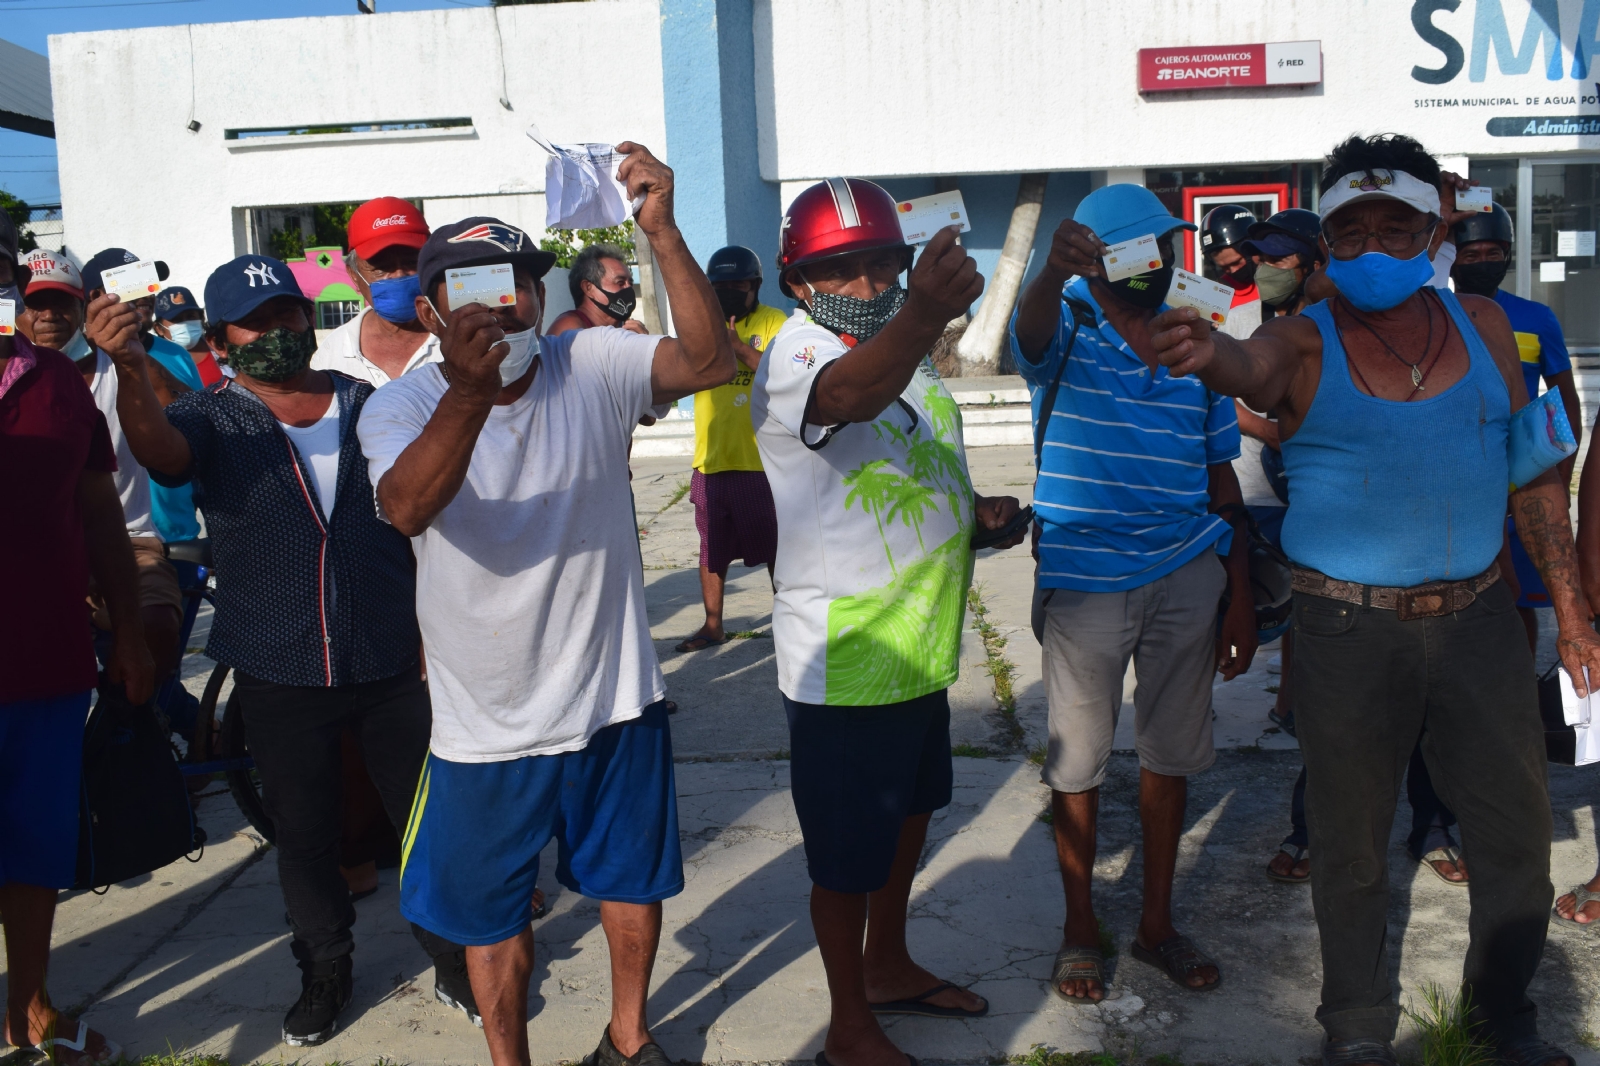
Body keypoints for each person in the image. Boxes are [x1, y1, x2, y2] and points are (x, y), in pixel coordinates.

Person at [1150, 132, 1594, 1066]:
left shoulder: (1483, 328)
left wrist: (1574, 610)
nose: (1377, 247)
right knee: (1351, 851)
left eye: (1400, 226)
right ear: (1328, 239)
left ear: (1436, 226)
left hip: (1478, 622)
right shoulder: (1301, 339)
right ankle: (1355, 1031)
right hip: (1345, 628)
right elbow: (1248, 367)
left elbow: (1537, 477)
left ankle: (1502, 1021)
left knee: (1515, 845)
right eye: (1353, 230)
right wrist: (1209, 354)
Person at [356, 143, 733, 1066]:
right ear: (434, 309)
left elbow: (712, 359)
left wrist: (662, 231)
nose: (500, 303)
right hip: (485, 724)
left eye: (516, 281)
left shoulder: (591, 363)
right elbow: (405, 506)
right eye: (472, 285)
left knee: (630, 883)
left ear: (538, 292)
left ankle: (629, 1039)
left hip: (614, 700)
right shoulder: (399, 408)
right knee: (491, 919)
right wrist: (470, 397)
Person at [87, 253, 473, 1047]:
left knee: (425, 823)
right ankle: (325, 968)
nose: (275, 334)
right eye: (253, 325)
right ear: (222, 341)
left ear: (308, 318)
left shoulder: (372, 404)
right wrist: (129, 366)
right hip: (279, 665)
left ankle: (455, 960)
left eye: (287, 316)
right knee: (306, 836)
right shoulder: (213, 416)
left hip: (391, 657)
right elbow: (160, 450)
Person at [749, 176, 1024, 1066]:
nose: (868, 285)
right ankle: (847, 1025)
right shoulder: (798, 352)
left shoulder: (912, 363)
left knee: (909, 817)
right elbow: (845, 402)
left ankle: (889, 963)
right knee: (845, 855)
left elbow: (906, 460)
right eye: (843, 269)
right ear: (798, 281)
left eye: (882, 265)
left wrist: (972, 512)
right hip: (848, 659)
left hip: (919, 650)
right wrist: (919, 317)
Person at [1011, 183, 1255, 1006]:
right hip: (1085, 578)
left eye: (1166, 245)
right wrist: (1049, 270)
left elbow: (1221, 468)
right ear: (1103, 257)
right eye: (1140, 249)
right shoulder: (1069, 316)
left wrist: (1242, 596)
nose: (1159, 262)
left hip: (1188, 565)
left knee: (1171, 756)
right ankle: (1081, 926)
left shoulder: (1196, 321)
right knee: (1077, 762)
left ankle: (1156, 924)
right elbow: (1029, 333)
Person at [1, 210, 152, 1066]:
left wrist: (129, 633)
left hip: (47, 664)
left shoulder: (55, 384)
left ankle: (32, 1009)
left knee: (34, 848)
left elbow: (100, 515)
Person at [17, 249, 184, 690]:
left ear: (83, 308)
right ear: (15, 305)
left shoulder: (125, 364)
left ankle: (137, 727)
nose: (49, 315)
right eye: (35, 304)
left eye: (63, 302)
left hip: (129, 541)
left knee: (157, 625)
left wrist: (132, 357)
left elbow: (192, 422)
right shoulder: (11, 378)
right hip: (36, 549)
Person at [1235, 208, 1327, 886]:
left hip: (1309, 508)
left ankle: (1293, 707)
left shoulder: (1330, 334)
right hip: (1241, 501)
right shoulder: (1241, 320)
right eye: (1257, 257)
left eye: (1279, 258)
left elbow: (1305, 432)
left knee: (1310, 631)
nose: (1264, 268)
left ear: (1312, 262)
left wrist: (1246, 419)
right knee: (1247, 613)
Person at [1450, 203, 1584, 652]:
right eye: (1471, 254)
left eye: (1493, 252)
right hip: (1458, 475)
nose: (1483, 262)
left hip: (1518, 480)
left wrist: (1559, 481)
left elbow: (1565, 399)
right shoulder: (1436, 314)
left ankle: (1520, 691)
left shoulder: (1536, 318)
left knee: (1517, 600)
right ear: (1451, 257)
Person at [674, 245, 786, 652]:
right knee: (712, 548)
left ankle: (789, 622)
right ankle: (713, 625)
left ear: (755, 285)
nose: (730, 292)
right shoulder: (701, 323)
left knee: (778, 546)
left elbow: (781, 374)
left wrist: (737, 346)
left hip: (762, 461)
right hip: (711, 459)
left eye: (739, 285)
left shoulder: (776, 322)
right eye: (721, 286)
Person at [82, 249, 205, 547]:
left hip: (180, 530)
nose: (147, 296)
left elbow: (200, 427)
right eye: (132, 287)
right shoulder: (78, 366)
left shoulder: (175, 353)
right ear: (97, 296)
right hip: (114, 535)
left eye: (149, 285)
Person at [312, 197, 441, 387]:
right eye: (381, 268)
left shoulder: (467, 337)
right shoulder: (333, 354)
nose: (399, 275)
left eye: (412, 262)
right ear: (354, 275)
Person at [546, 242, 649, 335]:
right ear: (588, 288)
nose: (628, 288)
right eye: (620, 282)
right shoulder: (570, 329)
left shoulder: (623, 329)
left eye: (630, 283)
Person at [1200, 203, 1262, 339]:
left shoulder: (1278, 281)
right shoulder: (1212, 297)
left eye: (1237, 262)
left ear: (1252, 247)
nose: (1233, 271)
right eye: (1224, 267)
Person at [153, 285, 224, 387]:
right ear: (159, 329)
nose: (185, 324)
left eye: (191, 316)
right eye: (176, 319)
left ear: (201, 318)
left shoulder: (221, 346)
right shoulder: (156, 364)